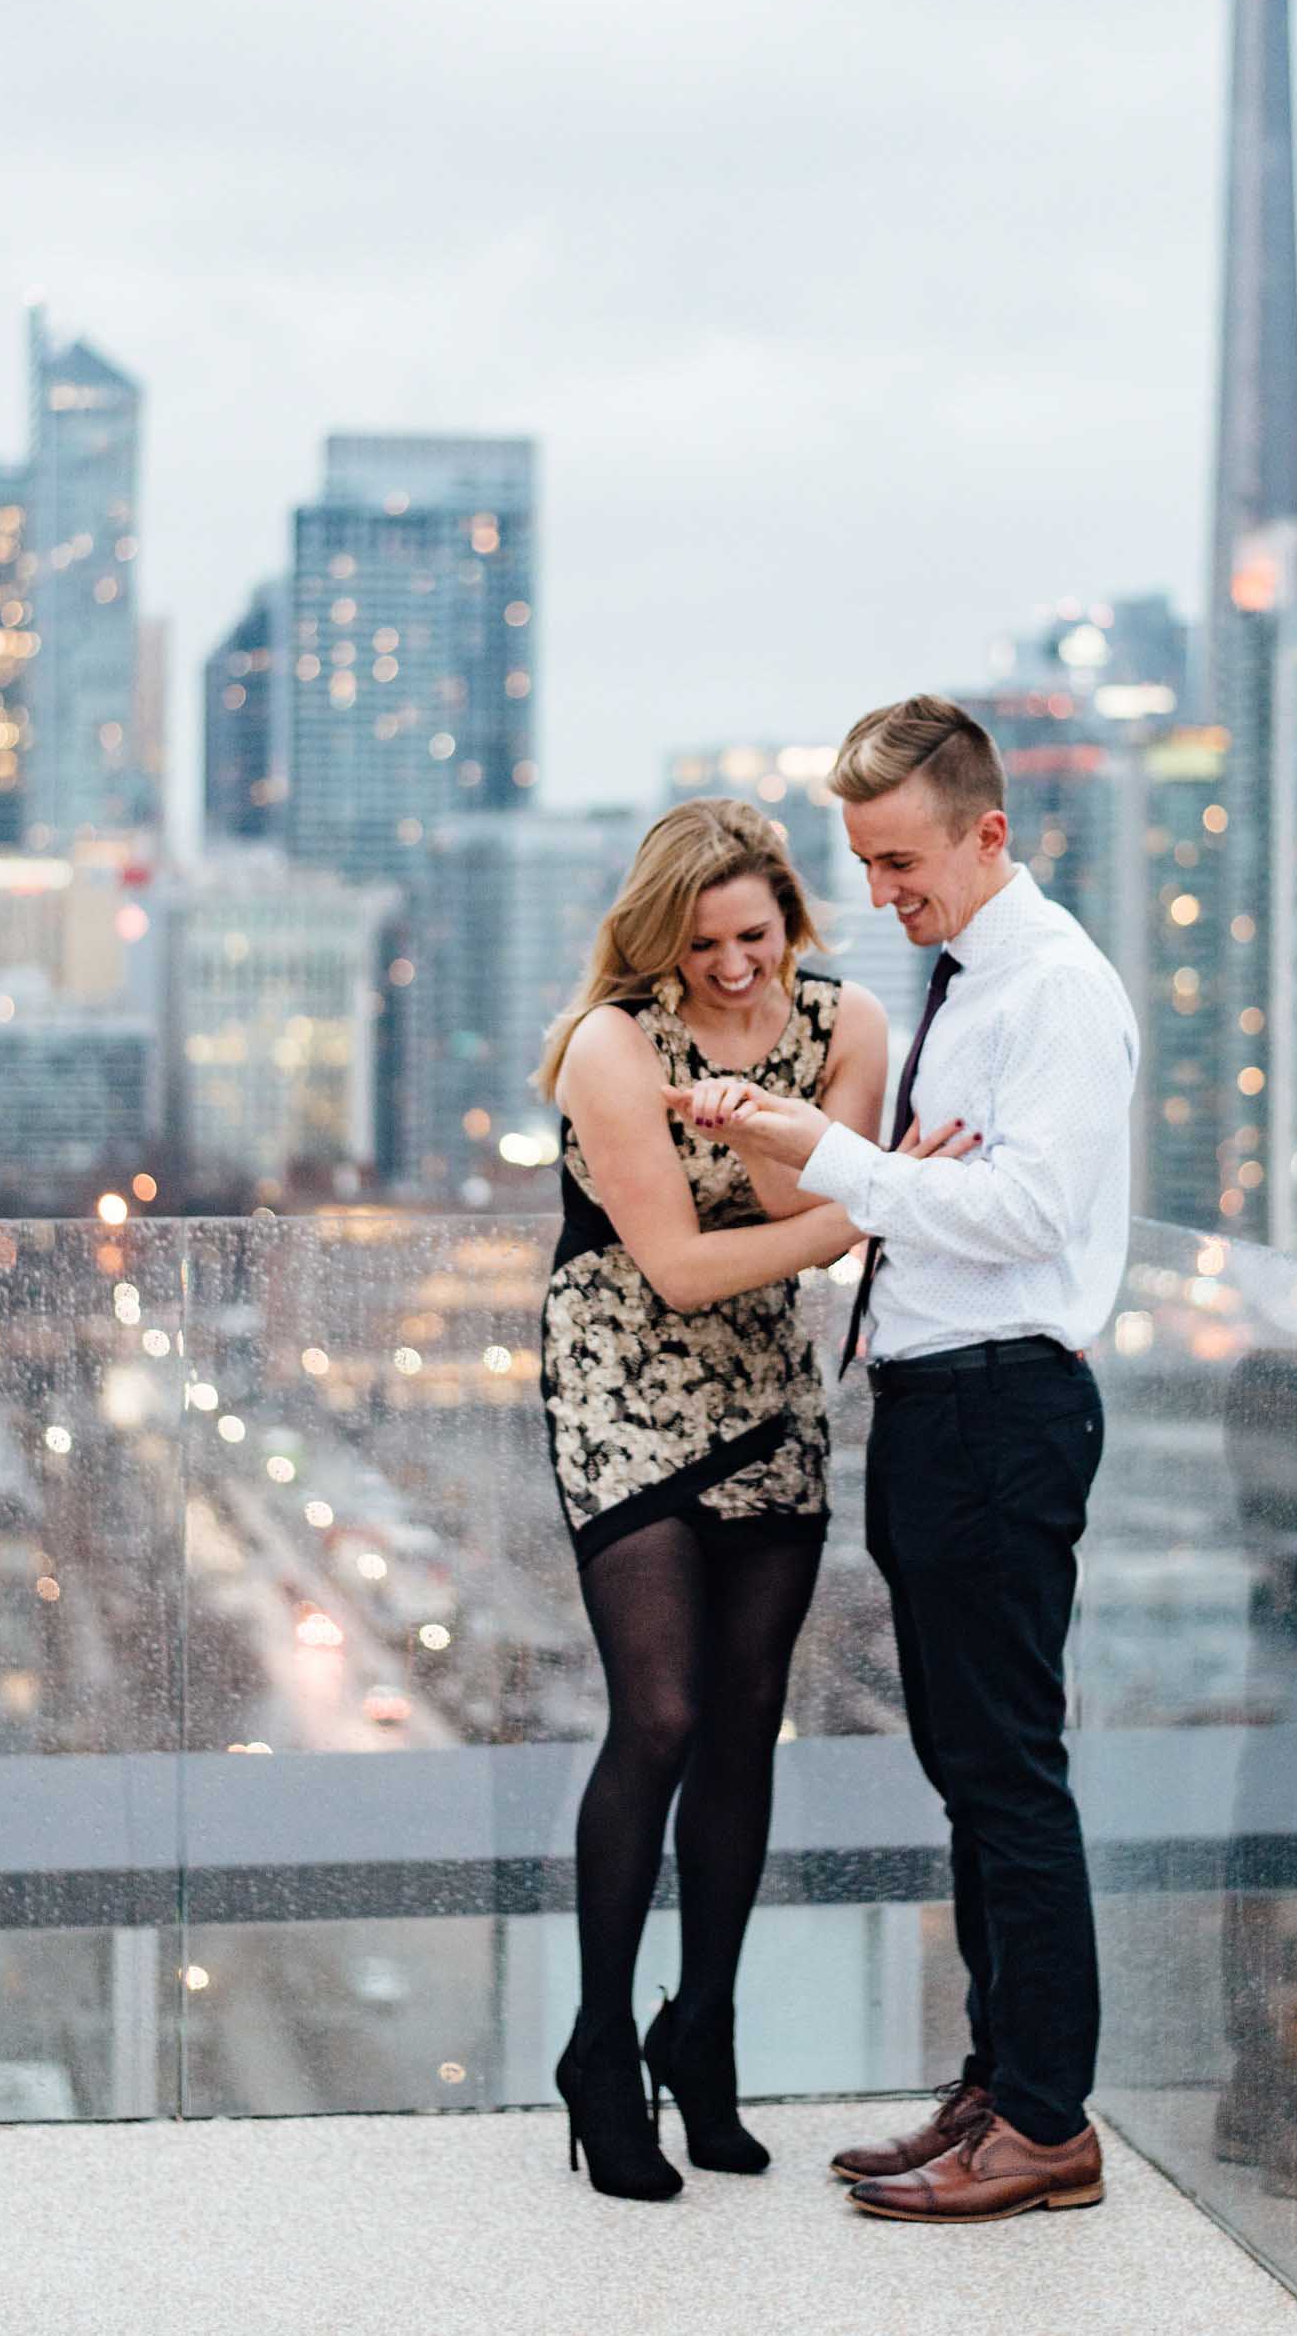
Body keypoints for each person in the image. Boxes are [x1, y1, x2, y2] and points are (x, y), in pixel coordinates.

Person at [678, 697, 1138, 2225]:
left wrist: (837, 1159)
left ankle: (1049, 2123)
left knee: (1009, 1777)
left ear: (987, 832)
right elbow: (955, 1200)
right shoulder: (967, 983)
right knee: (967, 1773)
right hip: (943, 1411)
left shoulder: (1056, 995)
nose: (883, 894)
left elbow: (1027, 1216)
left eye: (902, 861)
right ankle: (998, 2090)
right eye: (867, 866)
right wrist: (891, 1179)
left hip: (1005, 1413)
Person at [537, 795, 973, 2200]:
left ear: (792, 914)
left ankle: (701, 2034)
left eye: (757, 934)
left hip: (767, 1388)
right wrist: (880, 1195)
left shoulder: (845, 1024)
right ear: (660, 939)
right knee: (656, 1713)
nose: (735, 966)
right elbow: (679, 1264)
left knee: (743, 1727)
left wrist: (855, 1197)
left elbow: (820, 1221)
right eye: (705, 941)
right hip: (619, 1380)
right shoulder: (612, 1045)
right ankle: (602, 2049)